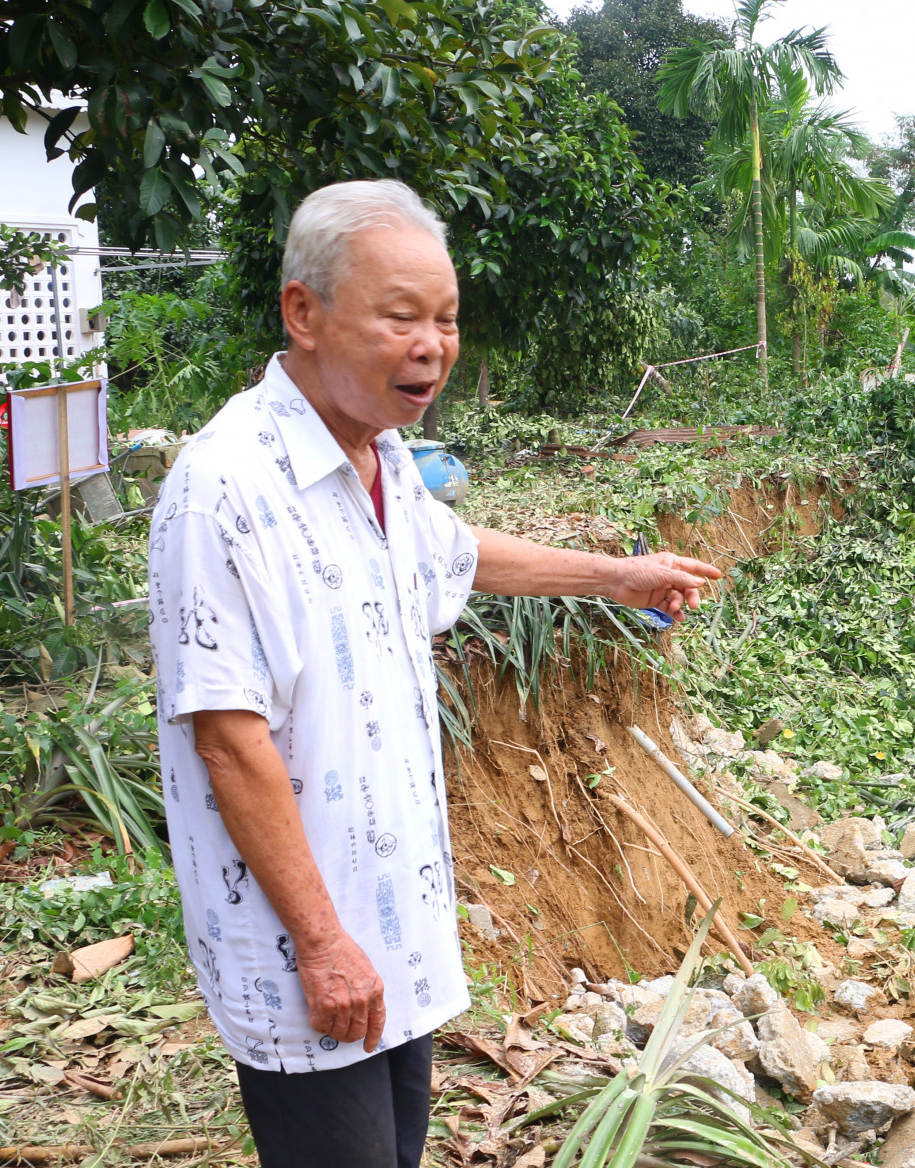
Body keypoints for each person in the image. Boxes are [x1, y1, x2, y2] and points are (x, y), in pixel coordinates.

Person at [146, 179, 720, 1168]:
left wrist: (619, 577)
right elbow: (228, 742)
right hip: (304, 947)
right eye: (400, 315)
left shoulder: (383, 457)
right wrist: (323, 944)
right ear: (304, 312)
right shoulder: (221, 488)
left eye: (446, 319)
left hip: (391, 922)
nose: (432, 343)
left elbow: (450, 550)